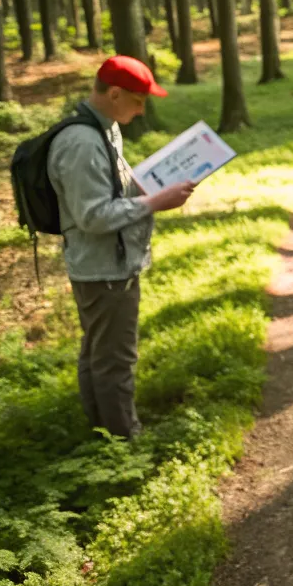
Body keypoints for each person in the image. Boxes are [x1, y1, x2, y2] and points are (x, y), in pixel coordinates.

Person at [48, 56, 195, 439]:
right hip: (104, 270)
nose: (143, 109)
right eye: (138, 100)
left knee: (100, 353)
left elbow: (114, 188)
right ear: (115, 94)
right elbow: (92, 215)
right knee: (115, 359)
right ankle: (124, 441)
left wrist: (150, 186)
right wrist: (154, 202)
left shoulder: (106, 129)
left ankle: (102, 433)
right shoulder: (81, 143)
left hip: (110, 263)